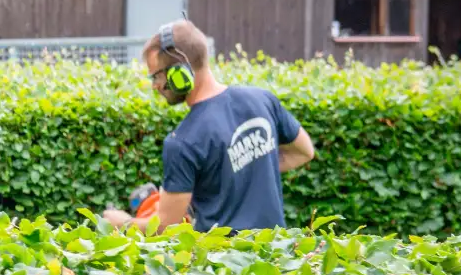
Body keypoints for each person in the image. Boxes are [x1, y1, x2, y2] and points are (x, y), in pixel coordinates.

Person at [101, 19, 316, 232]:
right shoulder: (263, 99)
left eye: (156, 75)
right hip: (276, 257)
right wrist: (237, 173)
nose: (155, 85)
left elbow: (165, 226)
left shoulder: (182, 141)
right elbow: (304, 151)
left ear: (180, 73)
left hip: (222, 263)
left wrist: (122, 223)